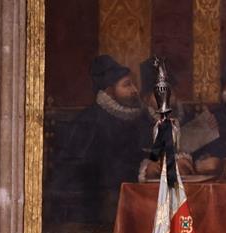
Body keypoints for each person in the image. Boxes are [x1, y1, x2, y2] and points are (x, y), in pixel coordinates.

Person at [50, 55, 152, 224]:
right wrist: (142, 170)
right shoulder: (89, 122)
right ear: (109, 91)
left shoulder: (138, 118)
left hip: (128, 196)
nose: (135, 90)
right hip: (93, 207)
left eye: (133, 84)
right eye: (127, 85)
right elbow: (95, 172)